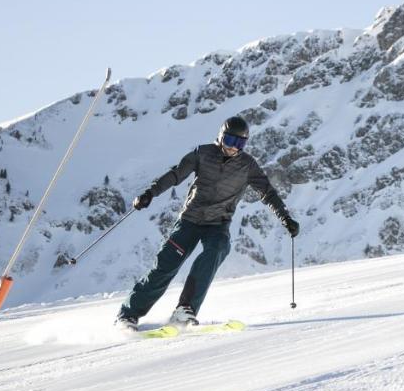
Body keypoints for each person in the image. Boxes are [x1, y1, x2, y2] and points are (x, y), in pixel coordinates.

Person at [114, 116, 298, 331]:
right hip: (190, 221)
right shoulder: (202, 153)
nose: (233, 148)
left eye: (239, 143)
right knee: (166, 266)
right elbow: (176, 174)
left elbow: (268, 192)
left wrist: (285, 218)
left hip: (218, 224)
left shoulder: (247, 165)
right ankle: (127, 315)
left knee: (218, 249)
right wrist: (150, 193)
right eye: (230, 141)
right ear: (221, 138)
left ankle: (185, 309)